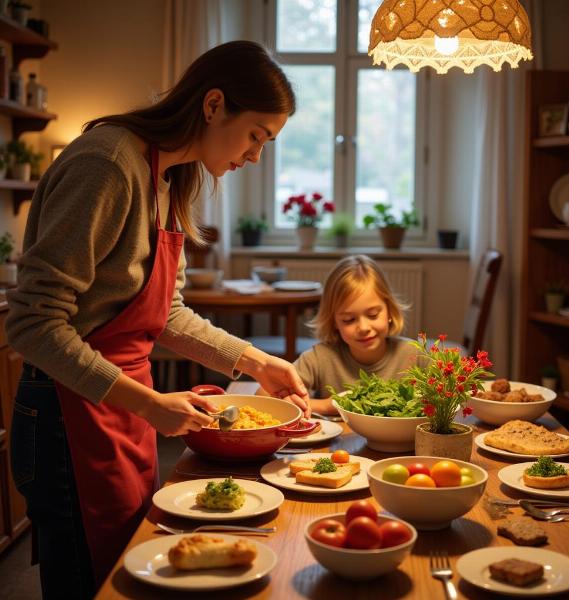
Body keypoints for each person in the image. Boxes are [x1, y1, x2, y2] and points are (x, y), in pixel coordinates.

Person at [6, 41, 308, 599]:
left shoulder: (172, 179)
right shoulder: (107, 163)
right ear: (214, 105)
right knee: (87, 580)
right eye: (257, 137)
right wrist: (145, 402)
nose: (256, 157)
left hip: (120, 407)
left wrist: (257, 361)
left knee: (126, 564)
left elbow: (163, 313)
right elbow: (33, 324)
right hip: (66, 413)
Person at [258, 255, 422, 415]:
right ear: (334, 321)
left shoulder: (415, 355)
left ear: (389, 311)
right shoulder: (320, 358)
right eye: (348, 320)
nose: (363, 328)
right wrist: (325, 406)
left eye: (373, 315)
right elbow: (263, 395)